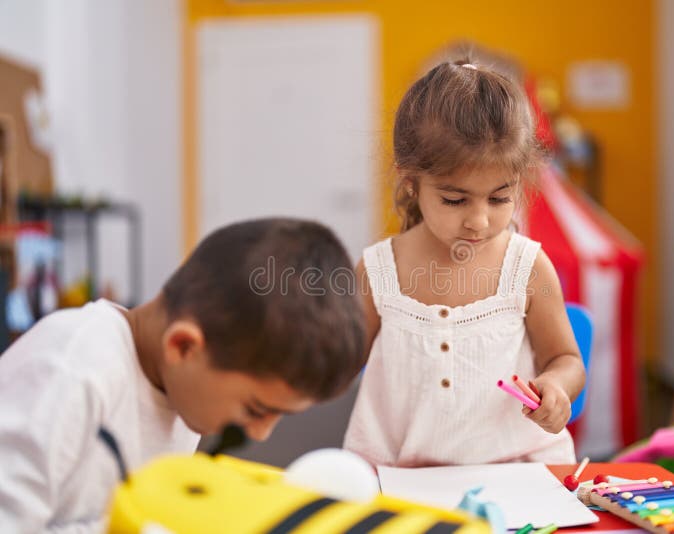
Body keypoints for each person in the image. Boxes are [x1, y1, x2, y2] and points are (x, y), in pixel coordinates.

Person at [0, 217, 365, 532]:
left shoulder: (182, 389)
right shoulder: (69, 371)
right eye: (256, 409)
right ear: (183, 347)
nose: (260, 433)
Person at [344, 58, 585, 467]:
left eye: (499, 198)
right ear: (410, 181)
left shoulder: (526, 267)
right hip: (399, 480)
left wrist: (556, 387)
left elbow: (567, 360)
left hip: (516, 475)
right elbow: (338, 363)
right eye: (455, 200)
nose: (479, 220)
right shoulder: (380, 271)